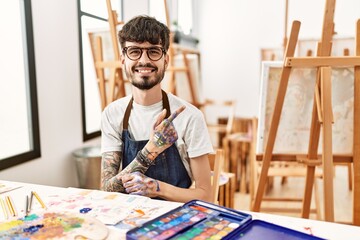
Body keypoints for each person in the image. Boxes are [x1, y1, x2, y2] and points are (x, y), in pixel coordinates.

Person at [100, 15, 213, 203]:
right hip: (129, 217)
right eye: (134, 51)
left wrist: (156, 188)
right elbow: (106, 188)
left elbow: (205, 195)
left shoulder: (190, 117)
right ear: (123, 59)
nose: (144, 60)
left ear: (166, 60)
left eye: (153, 51)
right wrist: (152, 148)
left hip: (176, 217)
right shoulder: (112, 114)